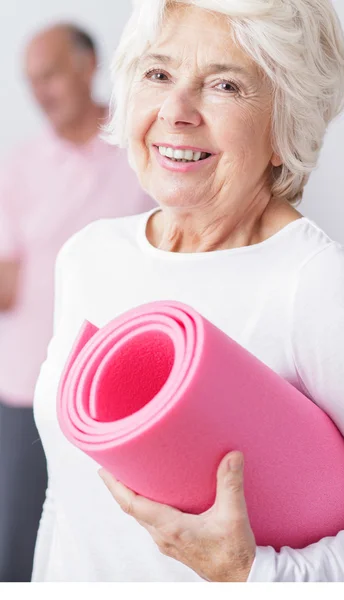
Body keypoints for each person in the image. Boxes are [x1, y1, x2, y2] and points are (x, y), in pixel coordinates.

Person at [32, 0, 344, 582]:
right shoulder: (88, 256)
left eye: (224, 84)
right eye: (158, 74)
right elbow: (69, 496)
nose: (175, 111)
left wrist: (255, 574)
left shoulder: (313, 282)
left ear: (286, 125)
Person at [0, 23, 155, 582]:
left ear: (89, 66)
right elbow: (7, 284)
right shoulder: (17, 166)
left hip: (121, 385)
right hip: (26, 388)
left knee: (124, 541)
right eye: (30, 82)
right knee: (14, 547)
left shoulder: (144, 142)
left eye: (50, 75)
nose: (40, 92)